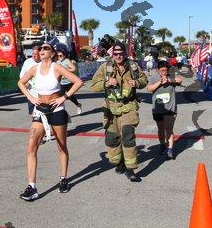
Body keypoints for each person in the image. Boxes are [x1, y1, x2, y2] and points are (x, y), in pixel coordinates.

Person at [17, 42, 83, 201]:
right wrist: (31, 97)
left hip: (57, 111)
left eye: (45, 48)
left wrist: (64, 97)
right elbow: (20, 83)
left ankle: (63, 179)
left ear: (52, 53)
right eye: (40, 48)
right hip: (40, 111)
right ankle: (31, 187)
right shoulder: (35, 69)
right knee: (31, 148)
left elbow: (78, 82)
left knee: (61, 146)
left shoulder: (57, 67)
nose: (41, 50)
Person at [90, 42, 148, 182]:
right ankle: (119, 162)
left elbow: (144, 80)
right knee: (112, 138)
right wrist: (106, 83)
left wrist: (137, 83)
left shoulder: (133, 66)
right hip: (110, 108)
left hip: (128, 107)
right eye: (115, 54)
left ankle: (130, 169)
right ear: (112, 54)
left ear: (125, 53)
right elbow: (93, 86)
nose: (118, 56)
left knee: (128, 136)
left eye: (121, 53)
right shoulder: (105, 67)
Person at [146, 60, 182, 158]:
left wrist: (169, 80)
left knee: (168, 128)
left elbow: (179, 80)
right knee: (161, 129)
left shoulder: (171, 76)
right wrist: (160, 82)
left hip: (170, 108)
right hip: (158, 108)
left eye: (166, 70)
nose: (164, 72)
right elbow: (149, 89)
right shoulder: (153, 77)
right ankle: (162, 144)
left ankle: (170, 149)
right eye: (162, 70)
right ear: (158, 70)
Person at [56, 47, 83, 115]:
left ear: (64, 55)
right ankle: (60, 112)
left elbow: (74, 69)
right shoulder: (57, 62)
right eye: (58, 56)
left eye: (60, 56)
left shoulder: (67, 61)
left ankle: (78, 105)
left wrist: (64, 70)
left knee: (70, 96)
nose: (59, 57)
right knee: (60, 97)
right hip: (61, 83)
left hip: (68, 82)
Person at [20, 44, 41, 116]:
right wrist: (25, 82)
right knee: (32, 113)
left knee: (43, 113)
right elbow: (22, 74)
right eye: (32, 54)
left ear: (40, 54)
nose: (33, 56)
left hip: (42, 94)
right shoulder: (28, 62)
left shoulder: (44, 62)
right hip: (31, 92)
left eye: (36, 54)